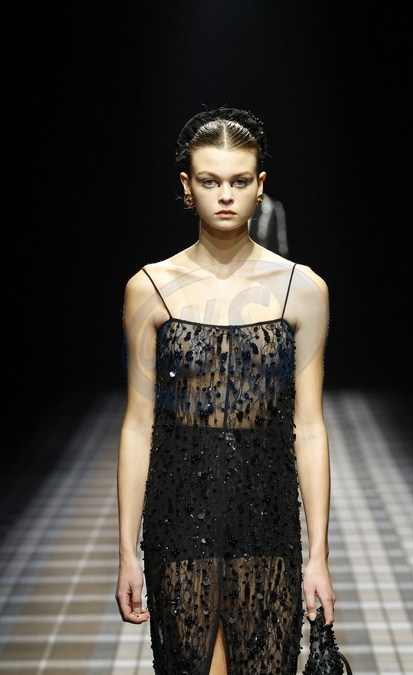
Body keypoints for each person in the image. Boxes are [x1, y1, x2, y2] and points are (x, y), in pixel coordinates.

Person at [115, 106, 336, 675]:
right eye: (210, 181)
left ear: (260, 186)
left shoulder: (302, 289)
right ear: (186, 186)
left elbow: (310, 427)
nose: (225, 196)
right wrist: (126, 552)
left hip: (268, 516)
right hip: (178, 517)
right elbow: (138, 425)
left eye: (239, 181)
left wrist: (319, 555)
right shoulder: (150, 288)